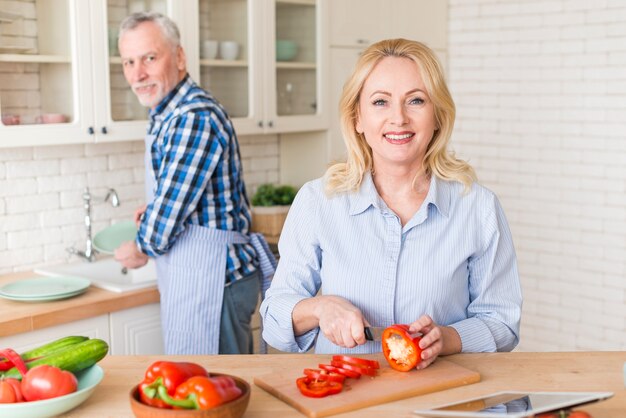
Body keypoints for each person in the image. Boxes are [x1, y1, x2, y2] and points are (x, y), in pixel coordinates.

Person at [259, 38, 522, 369]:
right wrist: (320, 308)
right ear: (358, 118)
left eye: (415, 100)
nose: (398, 118)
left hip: (441, 397)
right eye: (380, 102)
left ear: (438, 116)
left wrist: (448, 338)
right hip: (347, 397)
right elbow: (274, 318)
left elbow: (503, 323)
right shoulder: (318, 202)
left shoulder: (478, 207)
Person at [113, 12, 275, 355]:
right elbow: (182, 198)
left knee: (222, 393)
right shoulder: (169, 113)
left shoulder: (193, 117)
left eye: (149, 58)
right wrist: (157, 210)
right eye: (128, 62)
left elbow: (164, 224)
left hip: (218, 279)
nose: (137, 74)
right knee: (201, 388)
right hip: (204, 274)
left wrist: (141, 245)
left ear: (180, 57)